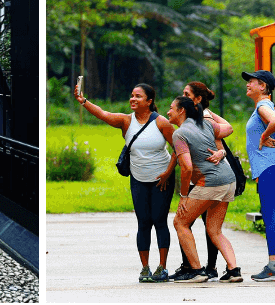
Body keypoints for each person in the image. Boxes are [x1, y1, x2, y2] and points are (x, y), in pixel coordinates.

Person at [74, 82, 177, 282]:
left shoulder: (162, 123)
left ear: (149, 101)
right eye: (132, 95)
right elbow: (103, 114)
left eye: (138, 96)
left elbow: (178, 150)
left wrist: (167, 173)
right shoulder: (126, 121)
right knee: (143, 222)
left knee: (159, 220)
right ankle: (145, 268)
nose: (133, 99)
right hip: (138, 179)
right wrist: (83, 101)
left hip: (161, 180)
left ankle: (162, 267)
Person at [168, 94, 241, 283]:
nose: (168, 112)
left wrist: (184, 195)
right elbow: (228, 128)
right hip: (228, 179)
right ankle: (234, 271)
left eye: (171, 108)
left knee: (180, 222)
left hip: (210, 182)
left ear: (181, 111)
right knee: (214, 230)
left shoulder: (179, 134)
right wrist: (210, 114)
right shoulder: (206, 124)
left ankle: (196, 270)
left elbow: (187, 168)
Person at [241, 69, 275, 282]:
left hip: (268, 169)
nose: (247, 85)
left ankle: (273, 268)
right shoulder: (263, 106)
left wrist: (262, 136)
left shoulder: (263, 105)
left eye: (251, 81)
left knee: (271, 218)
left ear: (263, 86)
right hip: (271, 169)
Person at [180, 82, 230, 279]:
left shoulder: (205, 117)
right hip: (202, 176)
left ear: (197, 99)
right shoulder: (195, 116)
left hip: (207, 177)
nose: (182, 95)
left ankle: (203, 267)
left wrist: (221, 152)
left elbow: (222, 138)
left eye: (186, 93)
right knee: (197, 223)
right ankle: (198, 266)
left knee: (192, 222)